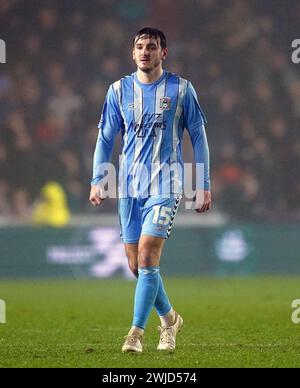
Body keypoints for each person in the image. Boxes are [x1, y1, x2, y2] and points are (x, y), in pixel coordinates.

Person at [89, 27, 211, 353]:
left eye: (152, 47)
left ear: (163, 53)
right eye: (140, 47)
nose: (145, 51)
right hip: (128, 187)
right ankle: (170, 320)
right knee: (136, 265)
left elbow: (198, 137)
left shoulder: (182, 90)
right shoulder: (118, 91)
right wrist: (97, 180)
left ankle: (136, 333)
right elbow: (105, 138)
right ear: (133, 53)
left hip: (166, 184)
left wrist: (203, 184)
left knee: (147, 255)